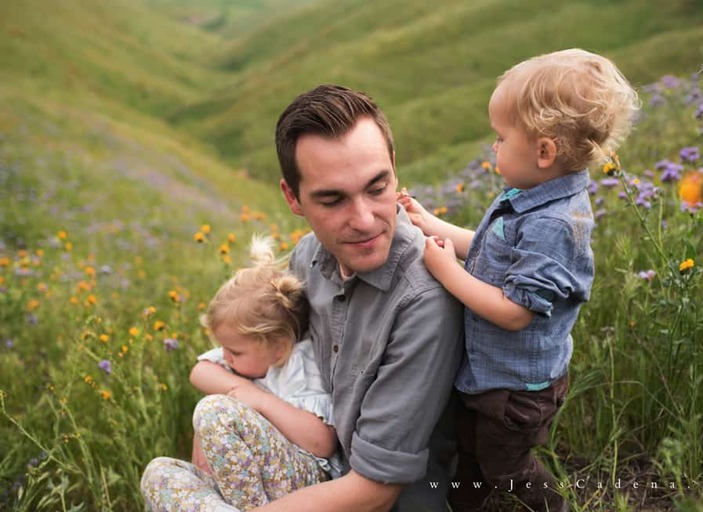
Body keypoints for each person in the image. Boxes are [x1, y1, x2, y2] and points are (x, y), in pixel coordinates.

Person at [398, 49, 640, 511]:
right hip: (491, 376)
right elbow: (491, 250)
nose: (493, 147)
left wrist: (448, 272)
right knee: (471, 453)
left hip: (514, 391)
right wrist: (429, 222)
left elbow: (514, 312)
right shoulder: (528, 197)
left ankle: (554, 506)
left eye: (501, 137)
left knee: (506, 467)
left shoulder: (555, 224)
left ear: (544, 152)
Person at [246, 84, 465, 511]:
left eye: (377, 188)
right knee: (168, 470)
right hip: (321, 468)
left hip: (389, 502)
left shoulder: (423, 296)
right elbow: (259, 354)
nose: (364, 220)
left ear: (394, 169)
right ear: (293, 198)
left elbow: (376, 493)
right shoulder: (310, 255)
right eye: (333, 200)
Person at [141, 235, 342, 510]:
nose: (225, 356)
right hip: (247, 483)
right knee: (158, 473)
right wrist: (240, 391)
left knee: (214, 410)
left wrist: (259, 400)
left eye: (234, 352)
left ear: (277, 348)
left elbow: (323, 443)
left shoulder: (298, 365)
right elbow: (200, 372)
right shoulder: (243, 364)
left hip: (303, 481)